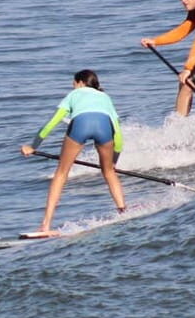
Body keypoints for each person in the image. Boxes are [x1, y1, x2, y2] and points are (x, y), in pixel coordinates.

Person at [20, 69, 126, 236]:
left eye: (74, 84)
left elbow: (51, 123)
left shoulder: (73, 95)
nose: (74, 87)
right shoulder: (105, 97)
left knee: (61, 173)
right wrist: (114, 160)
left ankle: (45, 225)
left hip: (81, 125)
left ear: (80, 83)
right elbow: (118, 135)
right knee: (109, 172)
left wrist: (33, 146)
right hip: (104, 128)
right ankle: (123, 212)